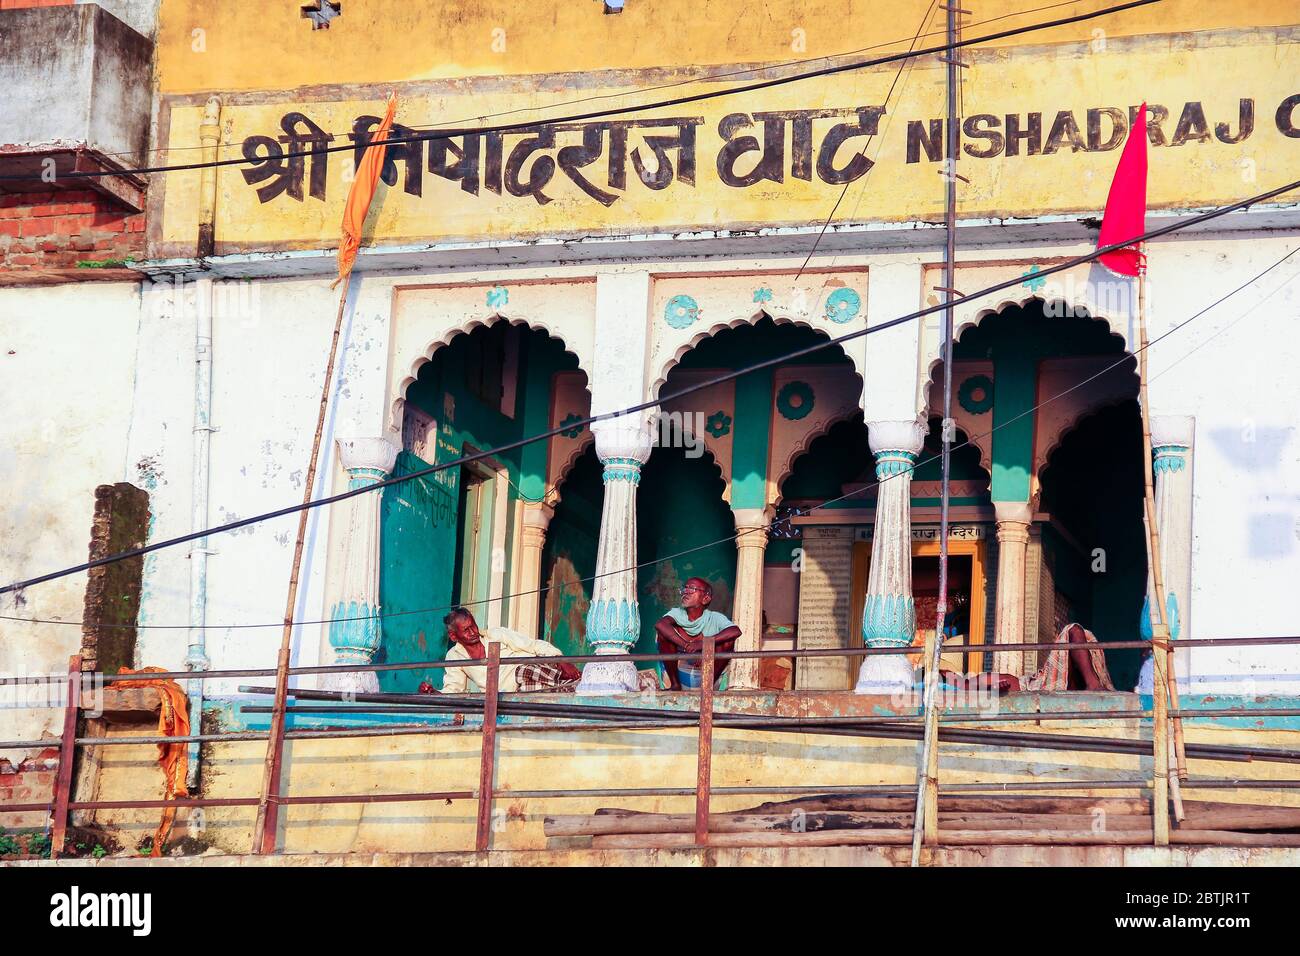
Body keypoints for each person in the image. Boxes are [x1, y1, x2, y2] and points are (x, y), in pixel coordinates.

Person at [942, 622, 1115, 693]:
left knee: (1078, 632)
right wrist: (993, 689)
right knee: (1074, 630)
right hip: (1030, 687)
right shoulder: (1019, 684)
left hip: (1065, 684)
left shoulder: (1020, 681)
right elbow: (964, 685)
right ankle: (1093, 684)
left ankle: (1093, 683)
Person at [440, 607, 582, 694]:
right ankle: (575, 687)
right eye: (466, 630)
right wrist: (434, 693)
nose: (473, 632)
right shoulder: (454, 656)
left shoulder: (496, 634)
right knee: (533, 692)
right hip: (515, 691)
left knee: (524, 671)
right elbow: (453, 690)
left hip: (534, 669)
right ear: (453, 636)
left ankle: (579, 682)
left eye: (473, 626)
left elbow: (532, 645)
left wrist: (561, 660)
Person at [654, 577, 743, 691]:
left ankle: (707, 687)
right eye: (685, 588)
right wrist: (686, 645)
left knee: (728, 640)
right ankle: (675, 685)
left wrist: (702, 645)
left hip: (708, 673)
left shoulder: (714, 617)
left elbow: (735, 631)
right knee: (663, 634)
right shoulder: (677, 613)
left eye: (692, 588)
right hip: (681, 672)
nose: (685, 591)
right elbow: (660, 625)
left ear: (705, 599)